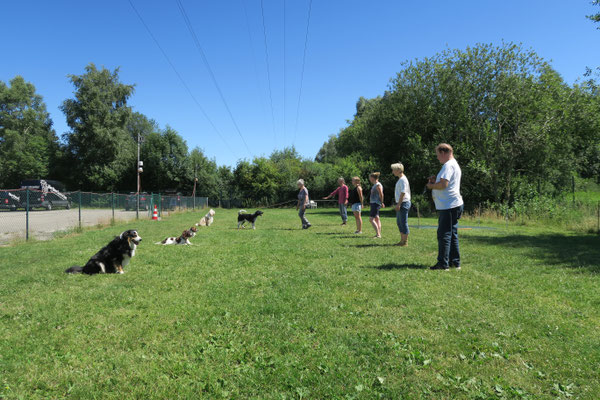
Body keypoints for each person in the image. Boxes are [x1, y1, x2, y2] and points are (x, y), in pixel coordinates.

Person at [426, 143, 464, 270]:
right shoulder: (453, 164)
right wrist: (435, 179)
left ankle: (443, 264)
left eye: (438, 155)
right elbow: (443, 182)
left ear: (443, 153)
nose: (437, 158)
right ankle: (455, 262)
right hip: (453, 204)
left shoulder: (448, 165)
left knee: (444, 234)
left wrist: (431, 186)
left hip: (448, 206)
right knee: (452, 234)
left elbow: (444, 185)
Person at [391, 163, 411, 246]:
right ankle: (402, 240)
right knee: (399, 222)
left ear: (399, 170)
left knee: (403, 222)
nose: (392, 172)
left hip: (403, 203)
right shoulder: (401, 179)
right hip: (401, 203)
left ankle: (405, 241)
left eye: (393, 170)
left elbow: (403, 192)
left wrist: (399, 204)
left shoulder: (403, 179)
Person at [368, 172, 385, 238]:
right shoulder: (375, 185)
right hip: (374, 203)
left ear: (372, 178)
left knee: (371, 219)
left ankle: (378, 234)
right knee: (377, 218)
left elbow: (381, 194)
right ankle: (378, 234)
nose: (369, 179)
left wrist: (381, 202)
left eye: (370, 177)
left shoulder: (378, 185)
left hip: (376, 203)